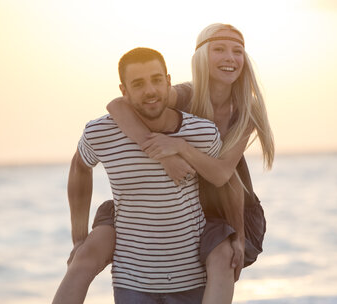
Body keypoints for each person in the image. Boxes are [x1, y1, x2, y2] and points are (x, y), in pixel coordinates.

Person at [108, 23, 275, 302]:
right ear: (201, 56)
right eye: (219, 49)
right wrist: (159, 153)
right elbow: (116, 105)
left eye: (238, 51)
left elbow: (223, 175)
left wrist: (180, 147)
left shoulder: (248, 108)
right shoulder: (186, 94)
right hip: (184, 202)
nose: (230, 58)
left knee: (223, 259)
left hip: (230, 206)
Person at [53, 47, 222, 303]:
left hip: (191, 278)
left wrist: (236, 238)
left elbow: (224, 182)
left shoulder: (202, 133)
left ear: (168, 81)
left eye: (156, 80)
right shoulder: (101, 132)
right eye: (138, 84)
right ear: (124, 91)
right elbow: (79, 166)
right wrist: (79, 239)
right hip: (132, 281)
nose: (150, 91)